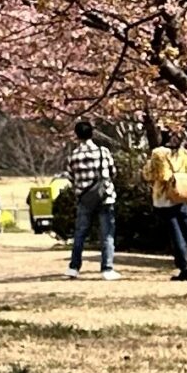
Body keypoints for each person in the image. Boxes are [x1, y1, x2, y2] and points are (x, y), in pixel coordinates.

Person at [146, 126, 187, 281]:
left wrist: (148, 168)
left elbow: (158, 175)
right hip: (182, 195)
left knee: (176, 234)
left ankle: (184, 269)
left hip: (165, 198)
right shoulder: (184, 153)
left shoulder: (158, 153)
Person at [66, 119, 117, 278]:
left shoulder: (73, 156)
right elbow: (113, 172)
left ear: (76, 136)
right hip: (105, 197)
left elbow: (71, 177)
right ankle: (107, 269)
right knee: (106, 234)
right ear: (92, 133)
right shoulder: (103, 152)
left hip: (84, 198)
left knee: (80, 233)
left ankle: (74, 267)